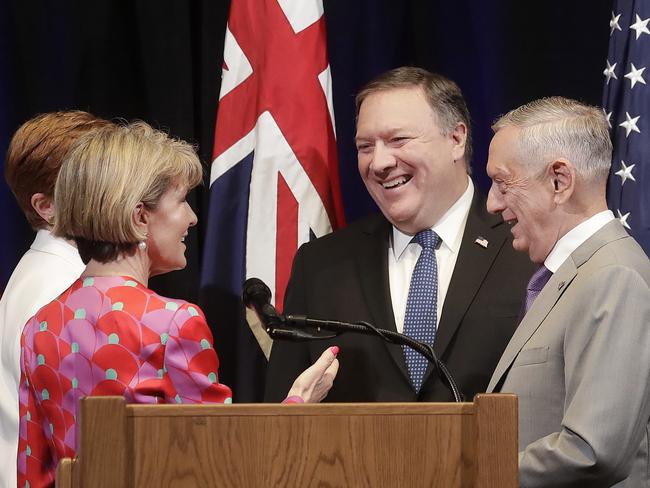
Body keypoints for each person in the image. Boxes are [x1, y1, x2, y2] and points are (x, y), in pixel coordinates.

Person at [17, 121, 339, 487]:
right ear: (140, 217)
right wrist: (297, 404)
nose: (192, 218)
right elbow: (226, 463)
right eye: (182, 200)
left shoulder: (39, 326)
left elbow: (32, 472)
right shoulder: (172, 322)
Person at [265, 67, 534, 402]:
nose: (379, 162)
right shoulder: (321, 266)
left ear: (456, 139)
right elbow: (281, 411)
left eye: (398, 140)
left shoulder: (527, 251)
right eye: (365, 146)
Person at [485, 97, 650, 487]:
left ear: (559, 180)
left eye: (502, 182)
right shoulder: (568, 277)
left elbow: (593, 451)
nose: (492, 203)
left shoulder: (613, 277)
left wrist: (472, 474)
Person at [0, 111, 112, 488]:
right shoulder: (61, 288)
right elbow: (84, 441)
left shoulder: (42, 271)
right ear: (46, 206)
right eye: (94, 179)